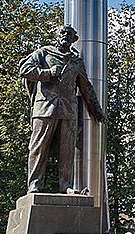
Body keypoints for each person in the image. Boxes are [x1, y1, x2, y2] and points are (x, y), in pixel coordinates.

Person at [18, 25, 105, 193]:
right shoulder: (44, 53)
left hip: (67, 110)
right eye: (62, 33)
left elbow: (86, 87)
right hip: (44, 108)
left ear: (73, 39)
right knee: (38, 148)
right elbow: (25, 70)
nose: (65, 35)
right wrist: (48, 73)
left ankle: (66, 186)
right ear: (56, 36)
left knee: (67, 151)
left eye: (69, 34)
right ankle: (34, 185)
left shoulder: (76, 61)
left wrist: (97, 110)